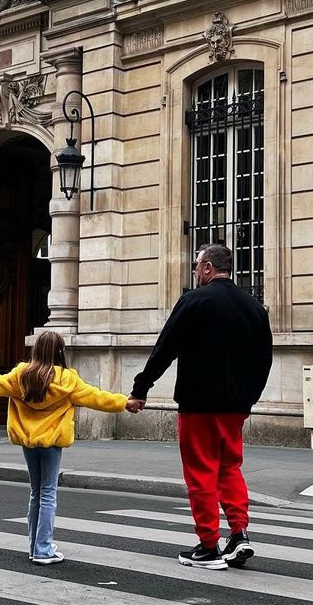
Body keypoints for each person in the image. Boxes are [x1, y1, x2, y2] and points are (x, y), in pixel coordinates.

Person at [127, 243, 272, 570]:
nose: (194, 271)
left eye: (196, 265)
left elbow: (165, 348)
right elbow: (264, 359)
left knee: (201, 473)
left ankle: (208, 546)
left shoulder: (195, 300)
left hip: (199, 404)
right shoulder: (254, 307)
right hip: (235, 406)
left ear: (208, 267)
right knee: (229, 467)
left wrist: (141, 388)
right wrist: (249, 397)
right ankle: (239, 533)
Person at [0, 331, 139, 564]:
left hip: (29, 441)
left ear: (36, 350)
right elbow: (97, 397)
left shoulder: (21, 376)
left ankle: (35, 546)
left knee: (35, 492)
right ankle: (43, 548)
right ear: (60, 352)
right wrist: (125, 403)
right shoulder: (68, 380)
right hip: (52, 442)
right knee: (48, 493)